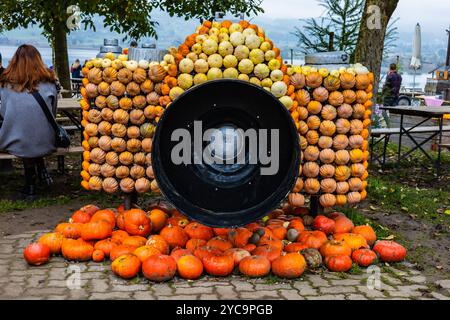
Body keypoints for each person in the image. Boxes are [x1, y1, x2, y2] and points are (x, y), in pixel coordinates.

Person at [0, 44, 58, 198]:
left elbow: (3, 113)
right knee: (32, 131)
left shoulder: (6, 85)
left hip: (16, 142)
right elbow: (53, 113)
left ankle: (30, 186)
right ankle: (41, 171)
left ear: (15, 61)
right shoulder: (50, 83)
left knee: (23, 133)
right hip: (46, 140)